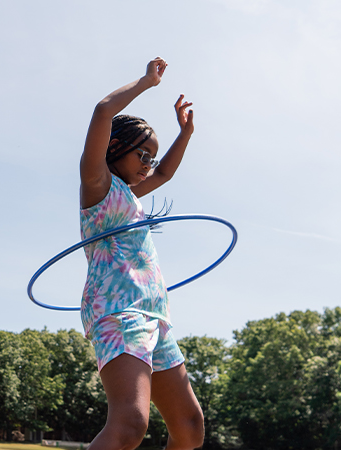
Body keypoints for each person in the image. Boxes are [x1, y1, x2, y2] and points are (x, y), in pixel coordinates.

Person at [76, 57, 202, 450]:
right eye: (142, 155)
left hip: (154, 315)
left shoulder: (131, 195)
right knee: (131, 423)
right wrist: (148, 82)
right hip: (119, 310)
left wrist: (185, 134)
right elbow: (103, 111)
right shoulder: (98, 185)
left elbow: (165, 174)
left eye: (151, 157)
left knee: (189, 426)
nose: (149, 165)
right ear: (115, 147)